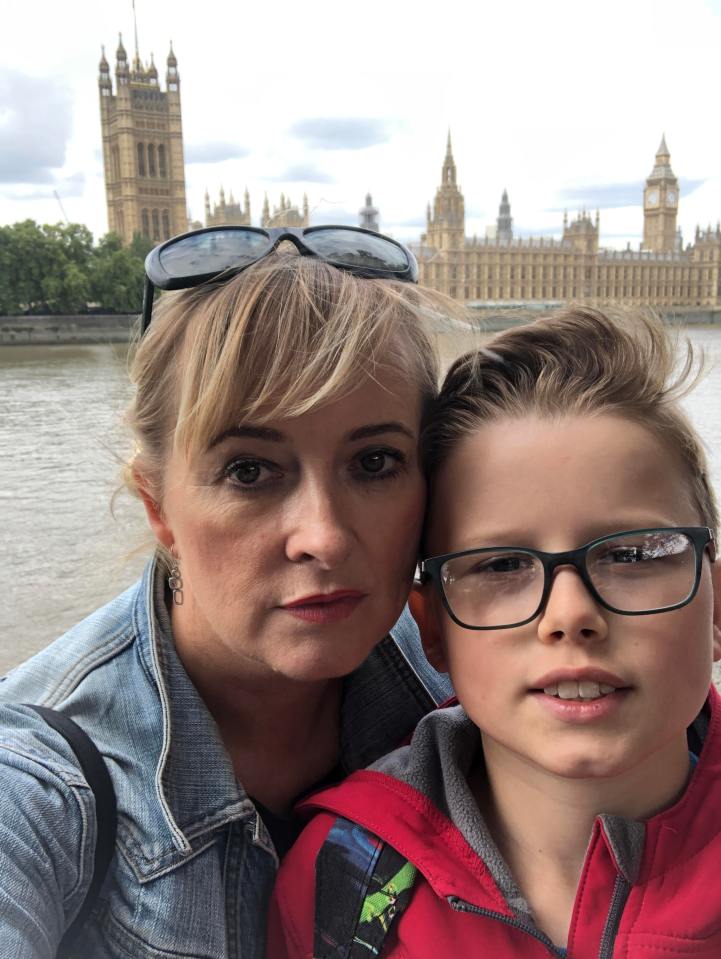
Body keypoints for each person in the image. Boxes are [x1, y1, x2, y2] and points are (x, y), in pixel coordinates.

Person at [0, 225, 456, 958]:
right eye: (249, 471)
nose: (325, 537)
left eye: (374, 461)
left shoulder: (472, 674)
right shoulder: (41, 780)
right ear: (158, 509)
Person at [269, 307, 721, 958]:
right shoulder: (337, 883)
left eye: (631, 553)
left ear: (714, 607)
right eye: (500, 564)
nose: (568, 614)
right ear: (432, 633)